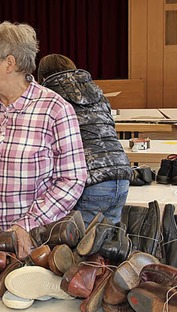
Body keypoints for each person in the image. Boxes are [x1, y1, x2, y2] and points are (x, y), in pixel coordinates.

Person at [0, 22, 88, 240]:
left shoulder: (55, 109)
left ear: (9, 63)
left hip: (29, 243)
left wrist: (28, 225)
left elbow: (72, 179)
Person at [37, 54, 133, 226]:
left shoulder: (51, 99)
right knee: (108, 245)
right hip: (121, 175)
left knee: (80, 247)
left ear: (43, 76)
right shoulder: (97, 93)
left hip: (89, 180)